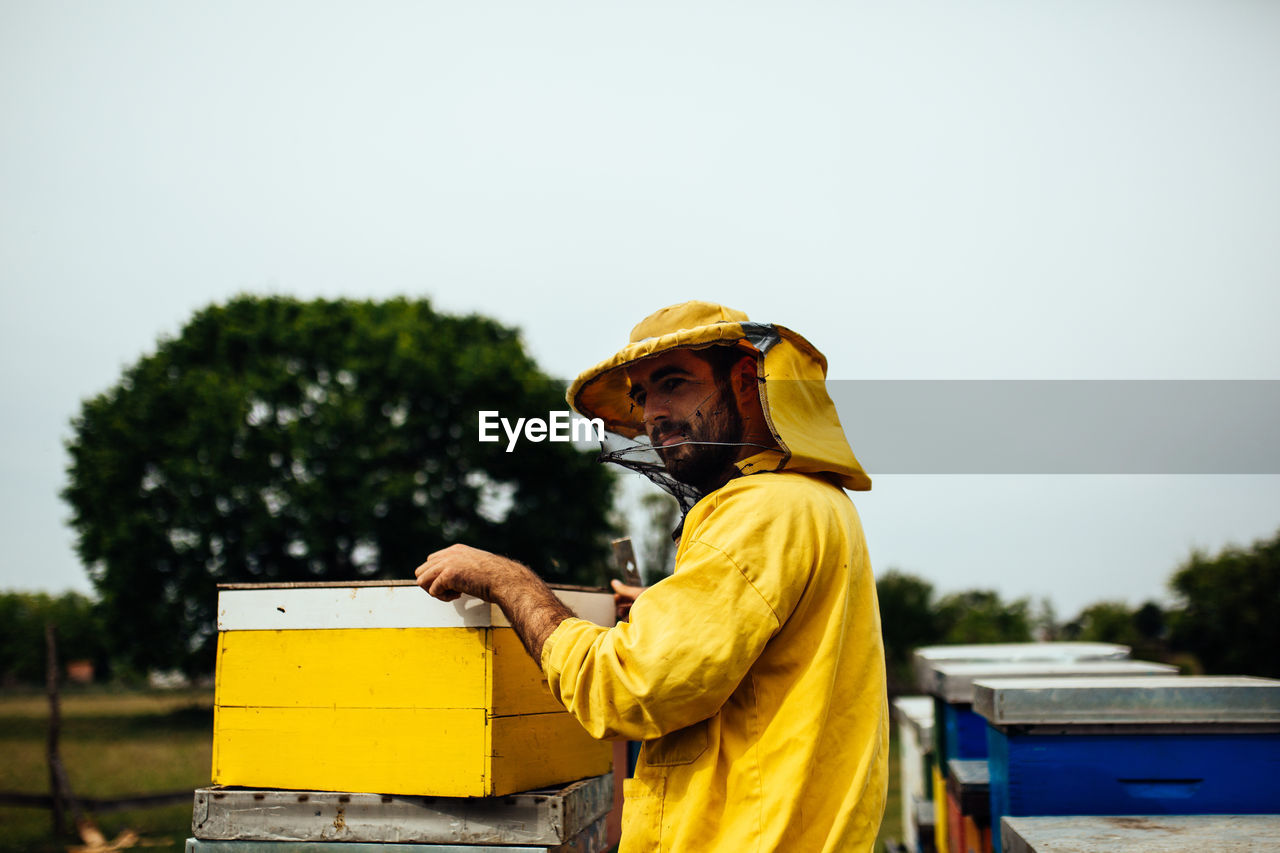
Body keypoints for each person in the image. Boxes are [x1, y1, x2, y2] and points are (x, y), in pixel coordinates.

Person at [415, 301, 887, 852]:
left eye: (673, 383)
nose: (651, 413)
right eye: (641, 396)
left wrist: (507, 581)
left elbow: (627, 689)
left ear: (744, 381)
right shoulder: (810, 502)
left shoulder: (759, 510)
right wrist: (664, 615)